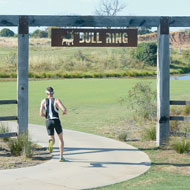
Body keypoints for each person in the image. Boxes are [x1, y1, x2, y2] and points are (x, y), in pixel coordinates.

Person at [40, 87, 67, 161]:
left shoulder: (43, 101)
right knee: (61, 139)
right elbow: (64, 109)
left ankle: (51, 143)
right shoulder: (56, 100)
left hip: (48, 121)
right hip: (56, 120)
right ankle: (61, 157)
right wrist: (64, 112)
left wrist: (46, 116)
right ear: (53, 93)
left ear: (46, 93)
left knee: (51, 138)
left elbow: (41, 114)